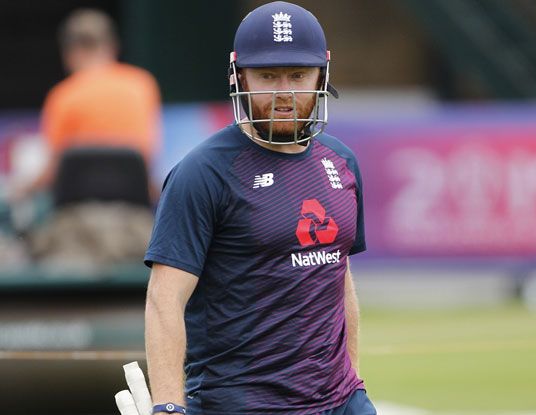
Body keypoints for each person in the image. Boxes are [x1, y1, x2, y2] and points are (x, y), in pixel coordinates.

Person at [143, 2, 375, 414]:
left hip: (340, 400)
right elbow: (165, 299)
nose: (284, 91)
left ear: (321, 76)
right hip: (243, 403)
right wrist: (167, 406)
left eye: (298, 75)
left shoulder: (342, 162)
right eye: (267, 75)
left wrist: (352, 384)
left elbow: (339, 275)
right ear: (240, 77)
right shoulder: (203, 173)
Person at [23, 8, 161, 197]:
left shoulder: (62, 95)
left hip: (77, 211)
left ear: (70, 52)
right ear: (113, 46)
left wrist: (20, 190)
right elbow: (149, 157)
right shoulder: (143, 84)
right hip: (134, 208)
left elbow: (52, 171)